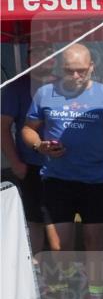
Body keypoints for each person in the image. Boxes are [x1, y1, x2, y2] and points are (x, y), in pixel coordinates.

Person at [20, 44, 103, 299]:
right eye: (68, 71)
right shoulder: (45, 94)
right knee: (60, 247)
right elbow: (28, 129)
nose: (75, 76)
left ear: (91, 68)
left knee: (94, 245)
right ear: (59, 69)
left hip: (95, 181)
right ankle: (76, 279)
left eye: (81, 70)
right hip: (57, 179)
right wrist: (40, 145)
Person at [1, 45, 56, 256]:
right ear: (28, 59)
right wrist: (15, 162)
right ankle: (37, 271)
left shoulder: (66, 85)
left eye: (48, 53)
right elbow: (3, 127)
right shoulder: (16, 88)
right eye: (37, 53)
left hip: (66, 166)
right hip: (32, 165)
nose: (43, 58)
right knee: (36, 220)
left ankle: (65, 269)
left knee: (61, 220)